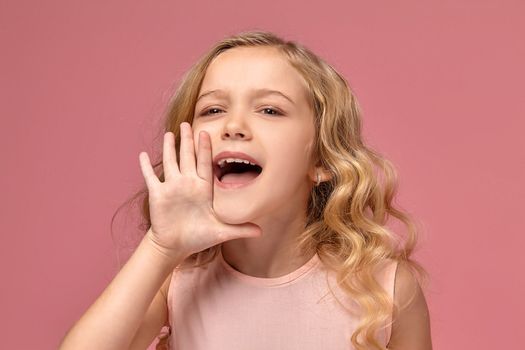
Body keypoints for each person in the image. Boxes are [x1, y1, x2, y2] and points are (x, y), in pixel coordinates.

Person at [59, 30, 432, 350]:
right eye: (212, 110)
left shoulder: (387, 289)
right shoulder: (175, 281)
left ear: (322, 160)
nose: (233, 126)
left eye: (269, 110)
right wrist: (160, 248)